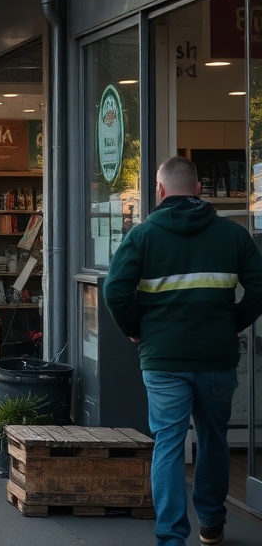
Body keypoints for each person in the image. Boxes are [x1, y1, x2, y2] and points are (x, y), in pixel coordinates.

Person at [103, 156, 262, 546]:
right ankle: (211, 522)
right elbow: (259, 288)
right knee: (213, 439)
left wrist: (136, 329)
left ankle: (172, 537)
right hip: (216, 356)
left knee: (170, 445)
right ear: (198, 189)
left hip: (163, 358)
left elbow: (114, 291)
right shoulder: (233, 234)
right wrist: (232, 322)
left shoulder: (142, 235)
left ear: (159, 190)